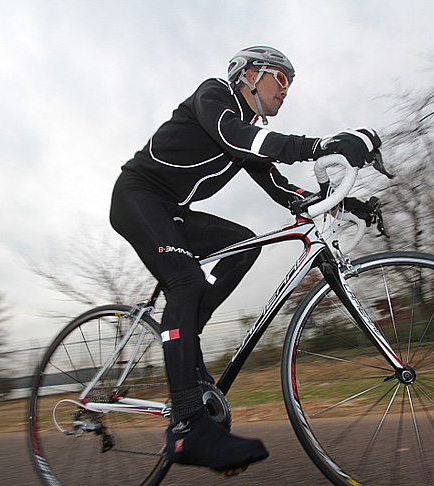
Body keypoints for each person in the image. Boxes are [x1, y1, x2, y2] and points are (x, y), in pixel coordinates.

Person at [109, 46, 381, 474]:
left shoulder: (245, 132)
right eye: (282, 79)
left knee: (244, 243)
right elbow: (238, 137)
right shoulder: (214, 97)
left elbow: (279, 184)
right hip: (137, 197)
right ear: (250, 75)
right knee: (186, 283)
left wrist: (342, 203)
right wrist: (319, 146)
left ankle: (185, 332)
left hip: (172, 210)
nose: (286, 91)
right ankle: (186, 426)